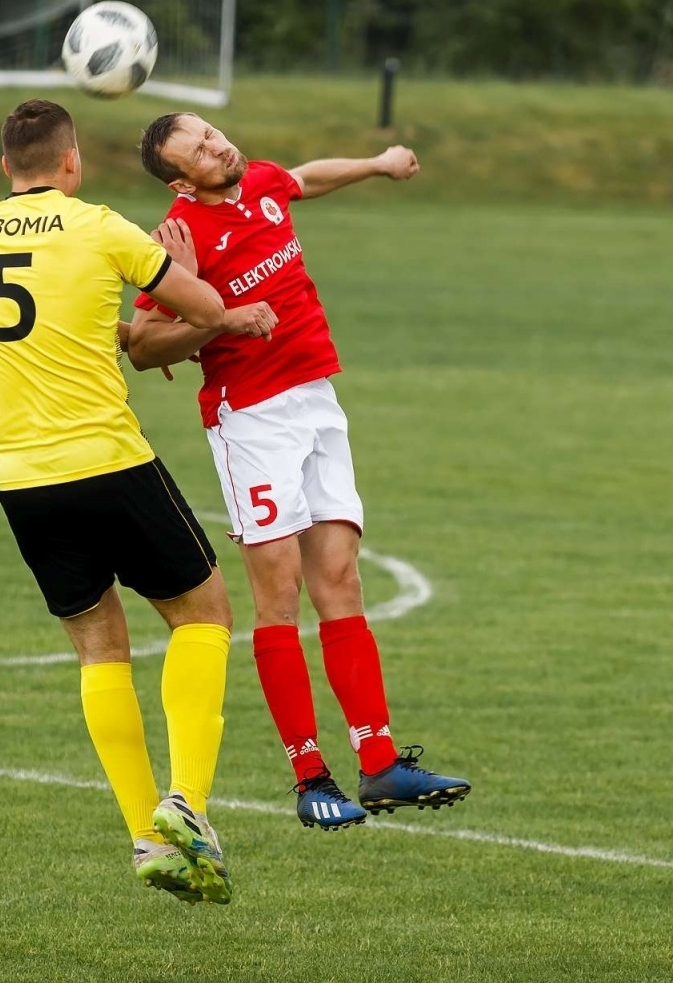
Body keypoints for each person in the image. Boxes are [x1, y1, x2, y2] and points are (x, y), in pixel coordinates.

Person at [0, 99, 278, 903]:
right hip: (107, 459)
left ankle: (145, 838)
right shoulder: (100, 227)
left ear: (4, 170)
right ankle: (188, 803)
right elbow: (199, 312)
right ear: (71, 163)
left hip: (20, 478)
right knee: (204, 614)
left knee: (99, 649)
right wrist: (213, 295)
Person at [126, 112, 470, 832]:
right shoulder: (177, 240)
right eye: (200, 148)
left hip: (317, 400)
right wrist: (219, 317)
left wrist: (376, 164)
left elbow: (307, 179)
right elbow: (146, 343)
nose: (219, 144)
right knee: (278, 592)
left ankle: (379, 763)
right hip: (250, 419)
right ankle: (309, 775)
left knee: (341, 578)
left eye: (213, 132)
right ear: (181, 178)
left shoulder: (261, 182)